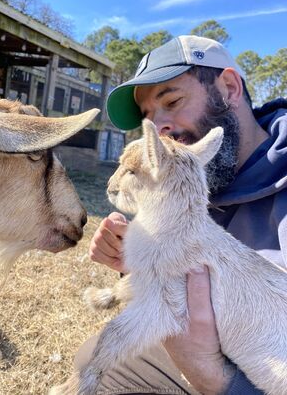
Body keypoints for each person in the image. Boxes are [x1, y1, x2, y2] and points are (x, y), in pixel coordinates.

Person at [76, 35, 287, 394]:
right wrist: (135, 257)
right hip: (219, 354)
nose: (161, 127)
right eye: (149, 118)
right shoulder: (192, 176)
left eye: (172, 101)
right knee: (92, 362)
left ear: (230, 88)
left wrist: (212, 373)